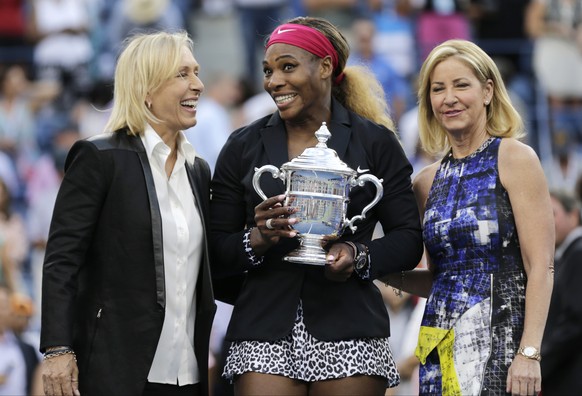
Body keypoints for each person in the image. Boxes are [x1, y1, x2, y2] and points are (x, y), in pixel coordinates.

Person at [209, 16, 424, 395]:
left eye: (287, 66)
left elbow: (407, 238)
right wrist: (257, 238)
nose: (273, 81)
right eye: (268, 70)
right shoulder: (241, 146)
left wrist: (356, 254)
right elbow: (216, 249)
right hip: (263, 326)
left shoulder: (375, 142)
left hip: (351, 325)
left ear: (325, 67)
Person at [40, 30, 216, 396]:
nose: (198, 84)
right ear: (147, 88)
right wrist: (57, 348)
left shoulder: (198, 169)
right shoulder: (99, 158)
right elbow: (62, 261)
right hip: (115, 369)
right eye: (182, 74)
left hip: (187, 372)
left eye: (196, 72)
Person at [382, 39, 554, 395]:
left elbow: (541, 267)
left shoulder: (515, 158)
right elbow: (439, 279)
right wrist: (371, 266)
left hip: (501, 343)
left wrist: (529, 353)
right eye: (438, 89)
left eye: (461, 85)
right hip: (438, 342)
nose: (449, 98)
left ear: (488, 91)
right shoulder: (425, 182)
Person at [541, 189, 582, 395]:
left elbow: (575, 320)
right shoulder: (565, 254)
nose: (546, 222)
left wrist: (539, 362)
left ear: (573, 215)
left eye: (552, 214)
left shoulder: (578, 252)